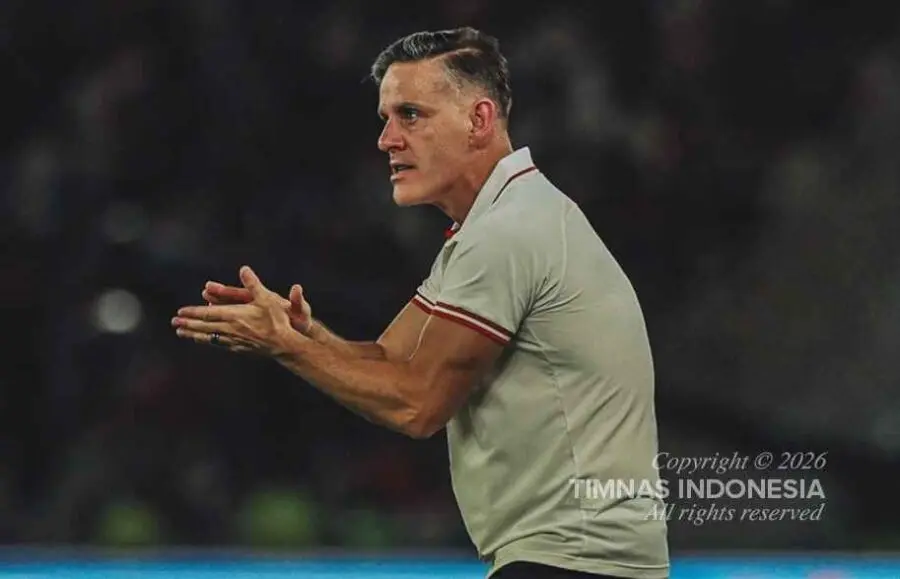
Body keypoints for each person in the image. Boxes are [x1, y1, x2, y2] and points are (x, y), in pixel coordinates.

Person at [172, 27, 669, 579]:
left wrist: (286, 348)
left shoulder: (508, 233)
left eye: (410, 115)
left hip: (573, 562)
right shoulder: (505, 219)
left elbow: (417, 405)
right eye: (386, 118)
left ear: (479, 120)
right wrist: (304, 335)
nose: (387, 139)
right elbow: (393, 360)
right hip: (580, 559)